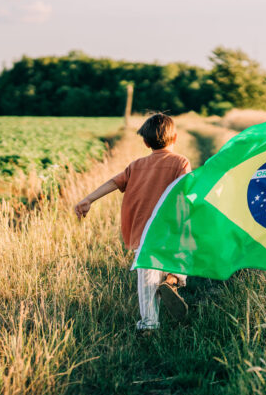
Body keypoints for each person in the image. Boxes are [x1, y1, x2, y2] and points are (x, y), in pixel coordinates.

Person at [74, 114, 192, 331]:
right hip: (170, 228)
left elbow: (113, 182)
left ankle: (148, 324)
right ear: (175, 137)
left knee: (146, 278)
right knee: (180, 255)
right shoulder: (180, 162)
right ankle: (173, 280)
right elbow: (186, 190)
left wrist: (88, 199)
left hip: (144, 231)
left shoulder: (136, 165)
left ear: (145, 142)